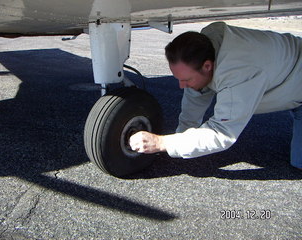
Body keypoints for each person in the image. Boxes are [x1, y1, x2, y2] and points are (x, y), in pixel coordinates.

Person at [129, 21, 302, 170]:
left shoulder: (239, 74)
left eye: (186, 79)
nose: (182, 86)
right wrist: (180, 139)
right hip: (284, 68)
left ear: (207, 66)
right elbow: (195, 94)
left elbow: (222, 133)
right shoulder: (205, 49)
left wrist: (162, 143)